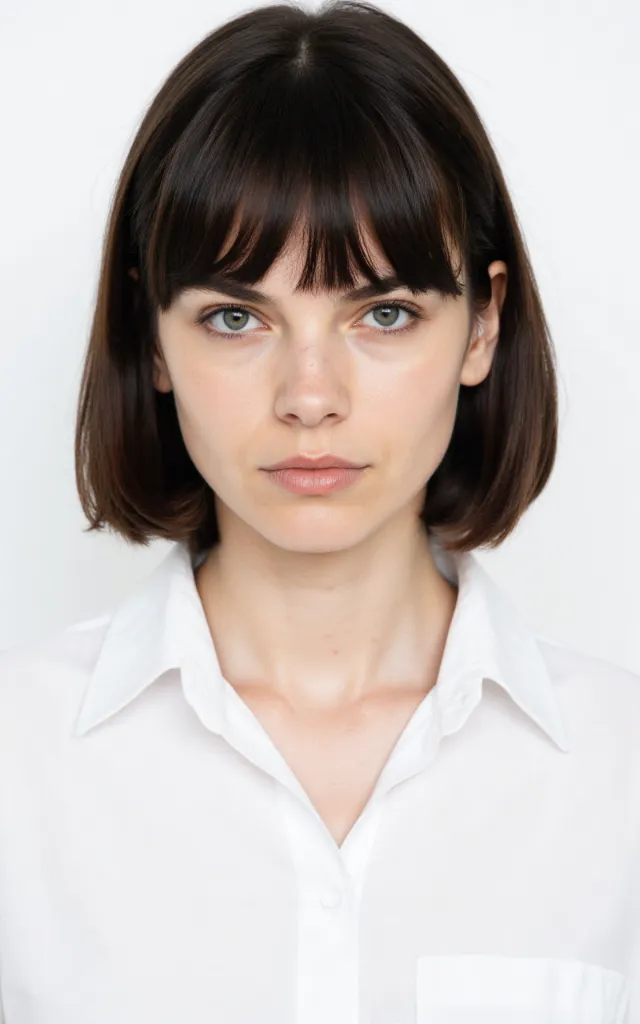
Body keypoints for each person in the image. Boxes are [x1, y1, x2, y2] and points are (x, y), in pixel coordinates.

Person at [0, 1, 638, 1021]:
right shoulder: (17, 768)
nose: (309, 394)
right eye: (235, 317)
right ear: (152, 339)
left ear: (482, 328)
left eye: (382, 313)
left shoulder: (620, 772)